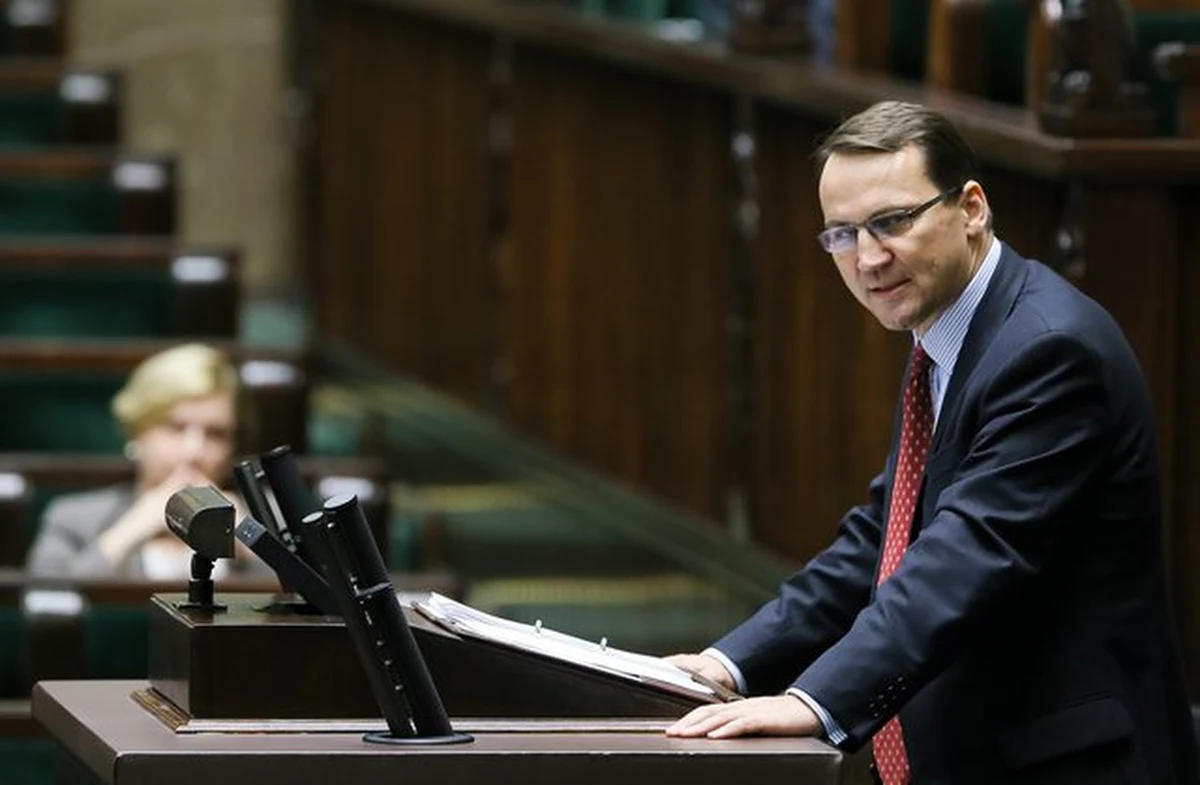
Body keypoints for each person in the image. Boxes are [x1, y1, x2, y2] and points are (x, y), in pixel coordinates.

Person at [664, 101, 1198, 785]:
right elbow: (883, 538)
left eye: (892, 222)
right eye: (842, 234)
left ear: (971, 207)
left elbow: (965, 556)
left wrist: (815, 698)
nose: (868, 257)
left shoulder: (1047, 349)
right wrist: (729, 662)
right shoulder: (951, 334)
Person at [27, 343, 260, 579]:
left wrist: (253, 542)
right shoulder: (74, 519)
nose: (194, 452)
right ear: (137, 431)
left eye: (216, 434)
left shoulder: (268, 519)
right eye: (176, 428)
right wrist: (128, 533)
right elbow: (47, 603)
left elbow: (293, 603)